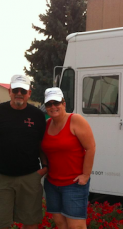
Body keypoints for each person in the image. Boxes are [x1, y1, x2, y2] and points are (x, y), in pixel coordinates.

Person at [0, 74, 48, 229]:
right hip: (0, 177)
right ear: (10, 91)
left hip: (30, 177)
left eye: (23, 90)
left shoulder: (37, 115)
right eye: (16, 90)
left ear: (29, 92)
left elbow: (42, 143)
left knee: (31, 222)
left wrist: (44, 167)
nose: (19, 93)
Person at [41, 87, 96, 229]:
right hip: (52, 184)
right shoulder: (46, 125)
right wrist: (45, 167)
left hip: (74, 184)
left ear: (64, 104)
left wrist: (86, 175)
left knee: (76, 226)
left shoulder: (75, 120)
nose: (53, 106)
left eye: (56, 102)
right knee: (60, 223)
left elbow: (90, 147)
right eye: (49, 104)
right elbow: (43, 150)